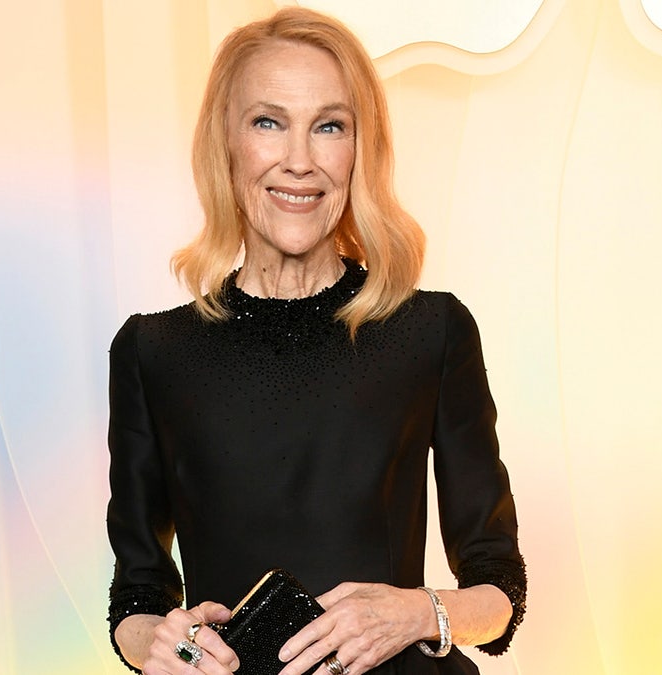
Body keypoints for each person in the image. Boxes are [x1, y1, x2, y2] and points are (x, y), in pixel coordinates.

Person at [107, 8, 525, 675]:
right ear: (227, 142)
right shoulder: (153, 352)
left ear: (360, 149)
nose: (298, 161)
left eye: (329, 126)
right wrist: (160, 642)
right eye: (268, 122)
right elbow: (136, 595)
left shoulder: (433, 333)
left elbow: (499, 589)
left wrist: (418, 611)